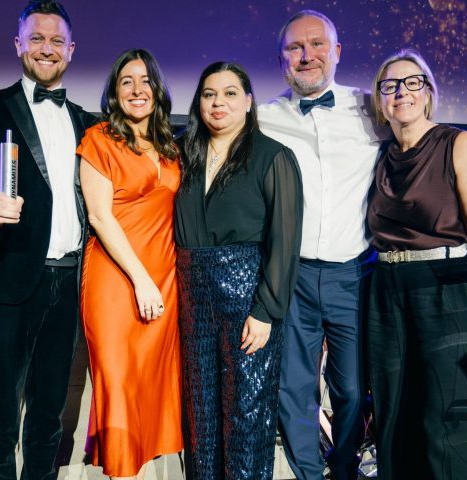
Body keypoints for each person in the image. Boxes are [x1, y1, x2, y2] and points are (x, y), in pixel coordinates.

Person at [0, 1, 96, 478]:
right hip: (8, 279)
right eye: (36, 38)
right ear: (18, 44)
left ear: (71, 51)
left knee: (50, 411)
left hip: (69, 281)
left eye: (57, 41)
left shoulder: (88, 122)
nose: (46, 48)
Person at [257, 10, 389, 480]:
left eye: (317, 45)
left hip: (353, 272)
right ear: (281, 60)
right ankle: (310, 474)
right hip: (289, 274)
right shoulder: (261, 119)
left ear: (337, 52)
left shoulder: (372, 109)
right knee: (293, 388)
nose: (306, 55)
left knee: (352, 388)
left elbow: (421, 149)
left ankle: (345, 468)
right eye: (295, 48)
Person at [366, 48, 467, 480]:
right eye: (390, 86)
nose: (401, 93)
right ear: (380, 99)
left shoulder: (460, 144)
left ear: (428, 94)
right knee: (393, 415)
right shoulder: (379, 157)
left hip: (446, 287)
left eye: (412, 83)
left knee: (445, 416)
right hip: (386, 288)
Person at [175, 61, 303, 480]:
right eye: (209, 93)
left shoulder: (274, 157)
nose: (218, 102)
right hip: (193, 297)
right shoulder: (183, 153)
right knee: (202, 415)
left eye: (231, 93)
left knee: (247, 416)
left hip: (249, 298)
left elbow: (285, 242)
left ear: (249, 101)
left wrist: (266, 311)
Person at [77, 48, 183, 480]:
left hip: (166, 278)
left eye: (145, 81)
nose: (137, 90)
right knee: (119, 386)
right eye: (126, 82)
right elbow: (99, 217)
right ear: (114, 92)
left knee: (148, 391)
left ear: (157, 89)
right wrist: (141, 280)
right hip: (117, 280)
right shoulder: (99, 138)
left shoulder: (170, 144)